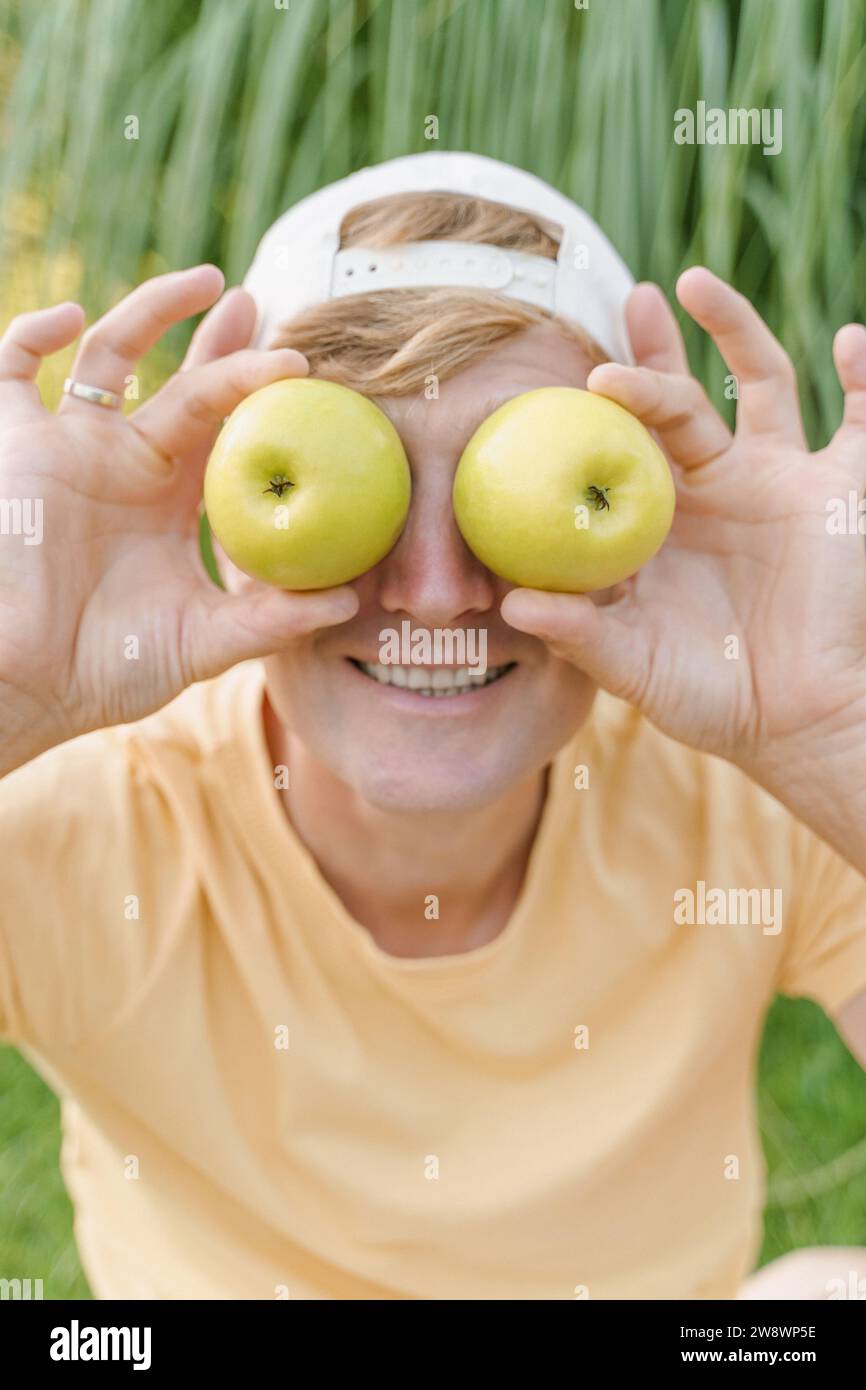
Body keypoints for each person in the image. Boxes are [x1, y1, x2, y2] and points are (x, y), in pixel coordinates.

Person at [1, 152, 865, 1301]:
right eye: (370, 495)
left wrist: (829, 742)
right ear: (223, 513)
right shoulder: (80, 829)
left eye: (499, 508)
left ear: (643, 524)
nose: (434, 589)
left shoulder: (744, 797)